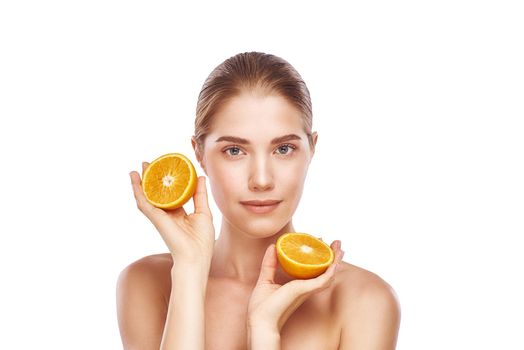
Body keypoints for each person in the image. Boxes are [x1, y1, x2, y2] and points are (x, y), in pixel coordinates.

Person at [117, 51, 401, 349]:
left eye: (284, 149)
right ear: (199, 153)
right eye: (235, 151)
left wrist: (264, 331)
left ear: (311, 149)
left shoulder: (365, 300)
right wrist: (189, 268)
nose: (262, 180)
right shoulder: (147, 283)